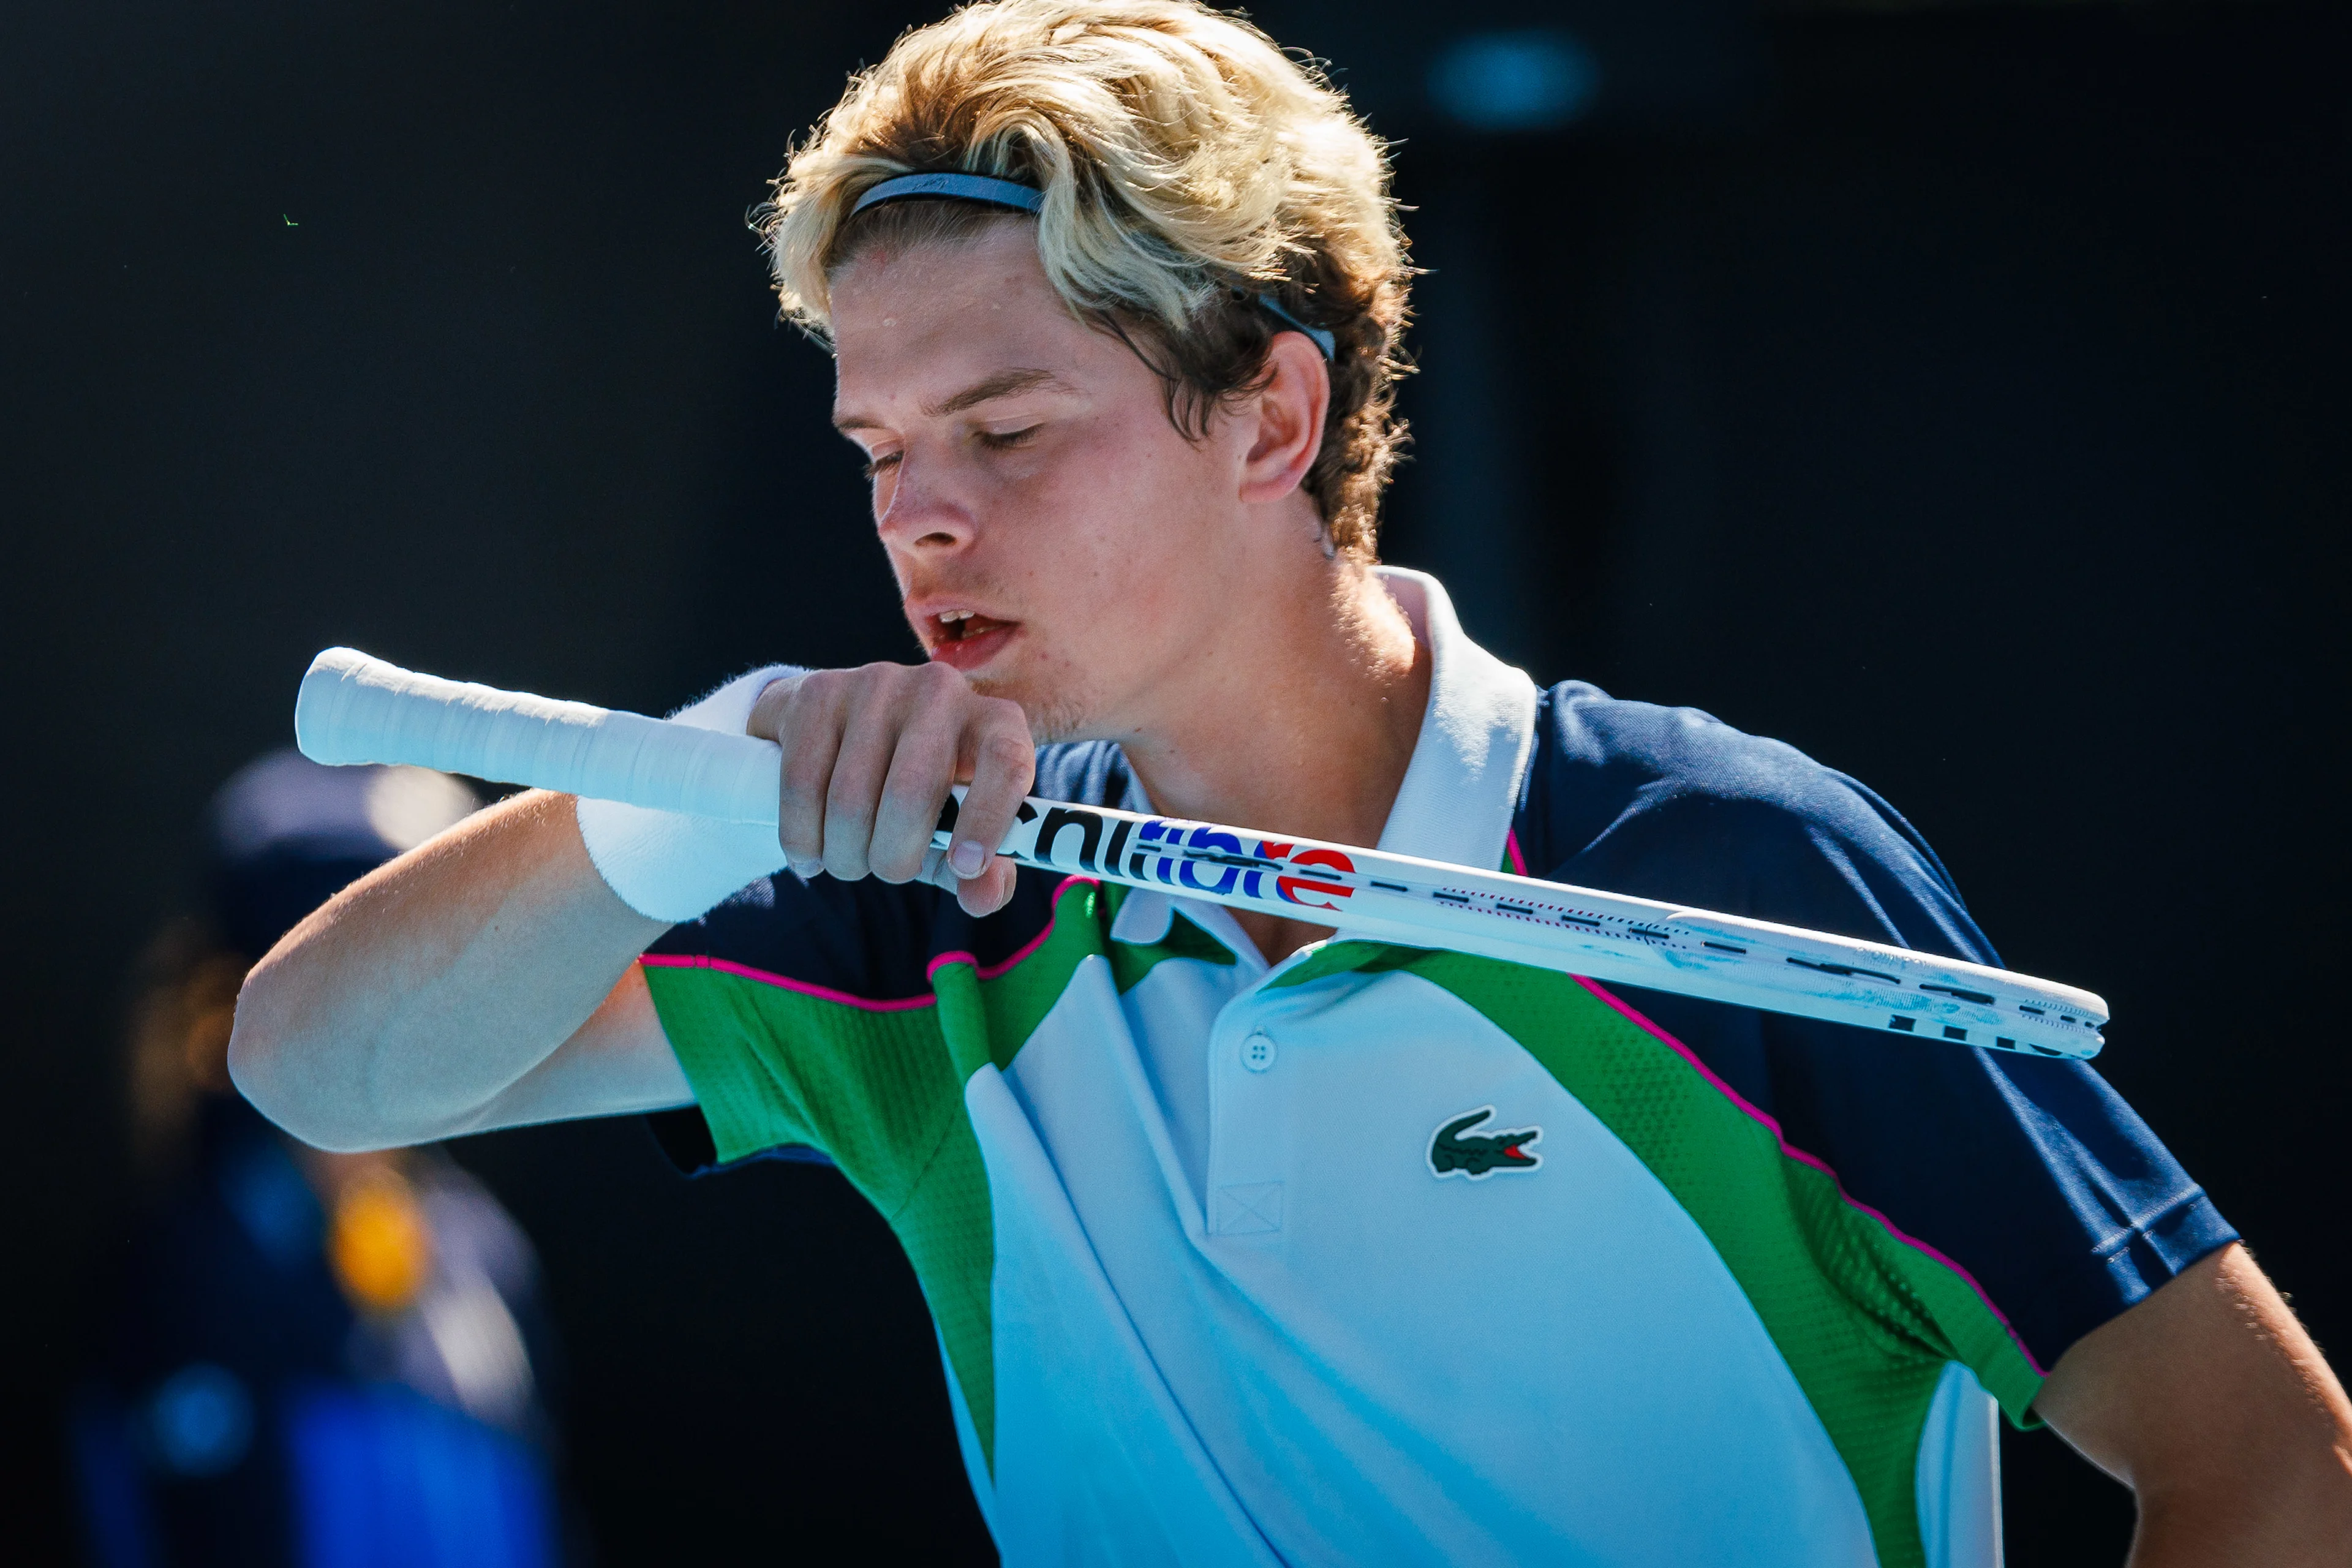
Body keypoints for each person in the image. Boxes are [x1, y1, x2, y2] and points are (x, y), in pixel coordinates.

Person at [227, 2, 2352, 1562]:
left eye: (1011, 429)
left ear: (1269, 416)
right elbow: (325, 1068)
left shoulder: (1724, 865)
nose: (923, 525)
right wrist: (670, 797)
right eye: (884, 452)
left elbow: (2260, 1455)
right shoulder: (917, 904)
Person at [77, 752, 564, 1568]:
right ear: (241, 998)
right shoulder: (181, 1276)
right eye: (389, 965)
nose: (430, 1011)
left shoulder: (485, 1253)